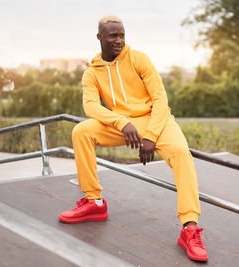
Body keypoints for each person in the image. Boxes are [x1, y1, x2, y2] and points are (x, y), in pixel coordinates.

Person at [58, 15, 208, 262]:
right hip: (124, 125)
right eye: (112, 36)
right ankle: (94, 202)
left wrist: (150, 136)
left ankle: (189, 228)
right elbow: (91, 107)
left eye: (122, 35)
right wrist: (122, 122)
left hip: (157, 120)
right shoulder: (92, 73)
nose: (119, 40)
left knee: (182, 154)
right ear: (99, 38)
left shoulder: (139, 59)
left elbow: (160, 99)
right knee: (81, 131)